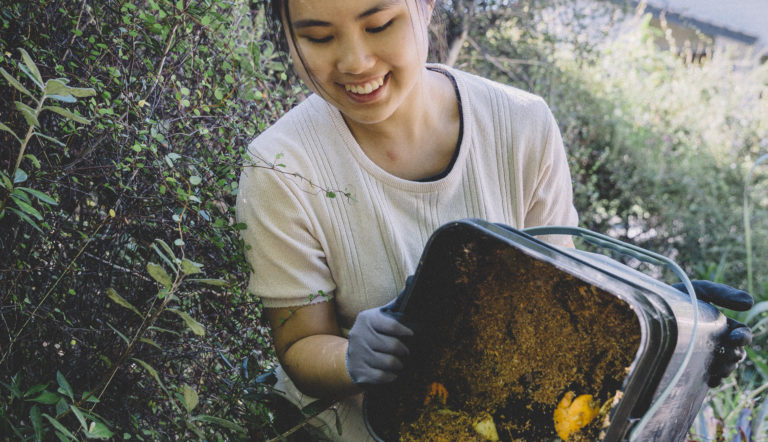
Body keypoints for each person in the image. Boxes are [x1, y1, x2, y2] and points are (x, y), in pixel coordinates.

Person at [236, 0, 753, 439]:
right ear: (288, 35)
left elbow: (563, 301)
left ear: (425, 6)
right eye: (320, 37)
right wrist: (351, 359)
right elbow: (300, 346)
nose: (355, 60)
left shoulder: (521, 124)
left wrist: (681, 336)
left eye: (378, 25)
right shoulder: (281, 169)